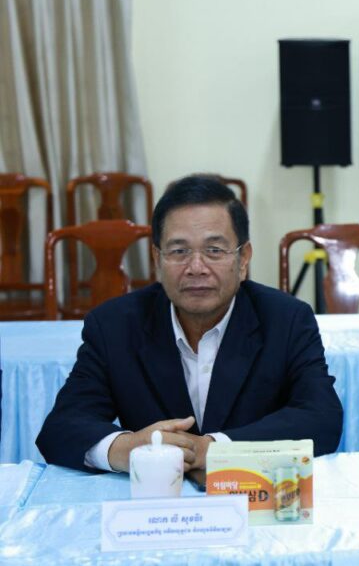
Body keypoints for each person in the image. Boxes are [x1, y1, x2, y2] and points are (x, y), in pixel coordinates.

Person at [36, 175, 342, 474]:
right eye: (179, 251)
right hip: (152, 501)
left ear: (244, 259)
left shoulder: (286, 320)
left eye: (214, 250)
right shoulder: (114, 326)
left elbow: (321, 418)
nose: (196, 268)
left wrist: (214, 449)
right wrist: (125, 448)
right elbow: (62, 427)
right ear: (157, 259)